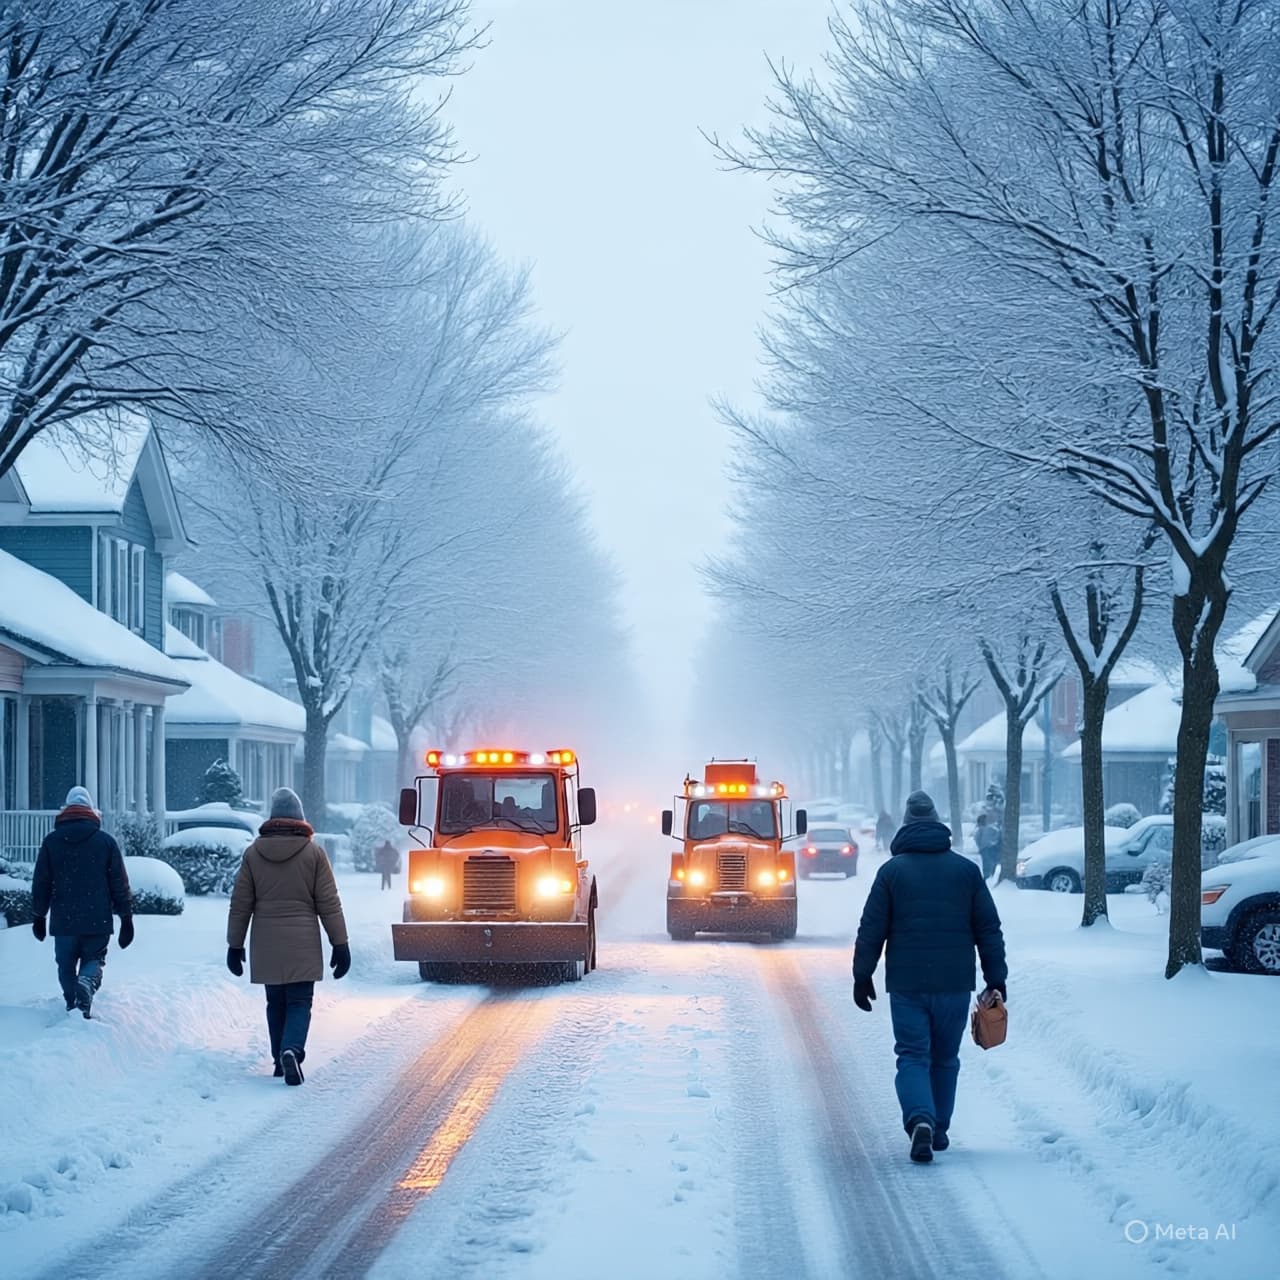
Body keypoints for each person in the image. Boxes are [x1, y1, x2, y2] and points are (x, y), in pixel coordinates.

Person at [852, 790, 1007, 1164]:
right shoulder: (966, 871)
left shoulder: (891, 873)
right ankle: (937, 1128)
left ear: (905, 826)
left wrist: (862, 975)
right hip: (954, 983)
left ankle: (919, 1118)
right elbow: (988, 928)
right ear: (938, 823)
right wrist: (996, 978)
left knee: (912, 1055)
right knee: (945, 1058)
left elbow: (872, 928)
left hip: (907, 984)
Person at [226, 787, 350, 1086]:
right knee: (299, 1001)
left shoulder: (254, 853)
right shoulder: (314, 853)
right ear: (300, 817)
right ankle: (291, 1049)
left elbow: (241, 902)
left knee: (275, 1002)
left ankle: (279, 1058)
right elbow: (328, 902)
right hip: (302, 941)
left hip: (266, 941)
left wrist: (235, 944)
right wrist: (340, 943)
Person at [29, 786, 134, 1018]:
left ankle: (73, 1003)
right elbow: (119, 882)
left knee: (65, 965)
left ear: (66, 810)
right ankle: (86, 985)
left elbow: (42, 882)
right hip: (97, 917)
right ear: (91, 811)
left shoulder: (51, 842)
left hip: (64, 919)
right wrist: (126, 917)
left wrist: (38, 915)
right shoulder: (106, 842)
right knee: (94, 959)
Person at [975, 812, 1001, 882]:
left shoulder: (988, 829)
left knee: (988, 862)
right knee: (990, 862)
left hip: (987, 848)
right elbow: (978, 839)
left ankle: (988, 876)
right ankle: (988, 876)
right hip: (987, 848)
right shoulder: (986, 829)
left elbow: (977, 839)